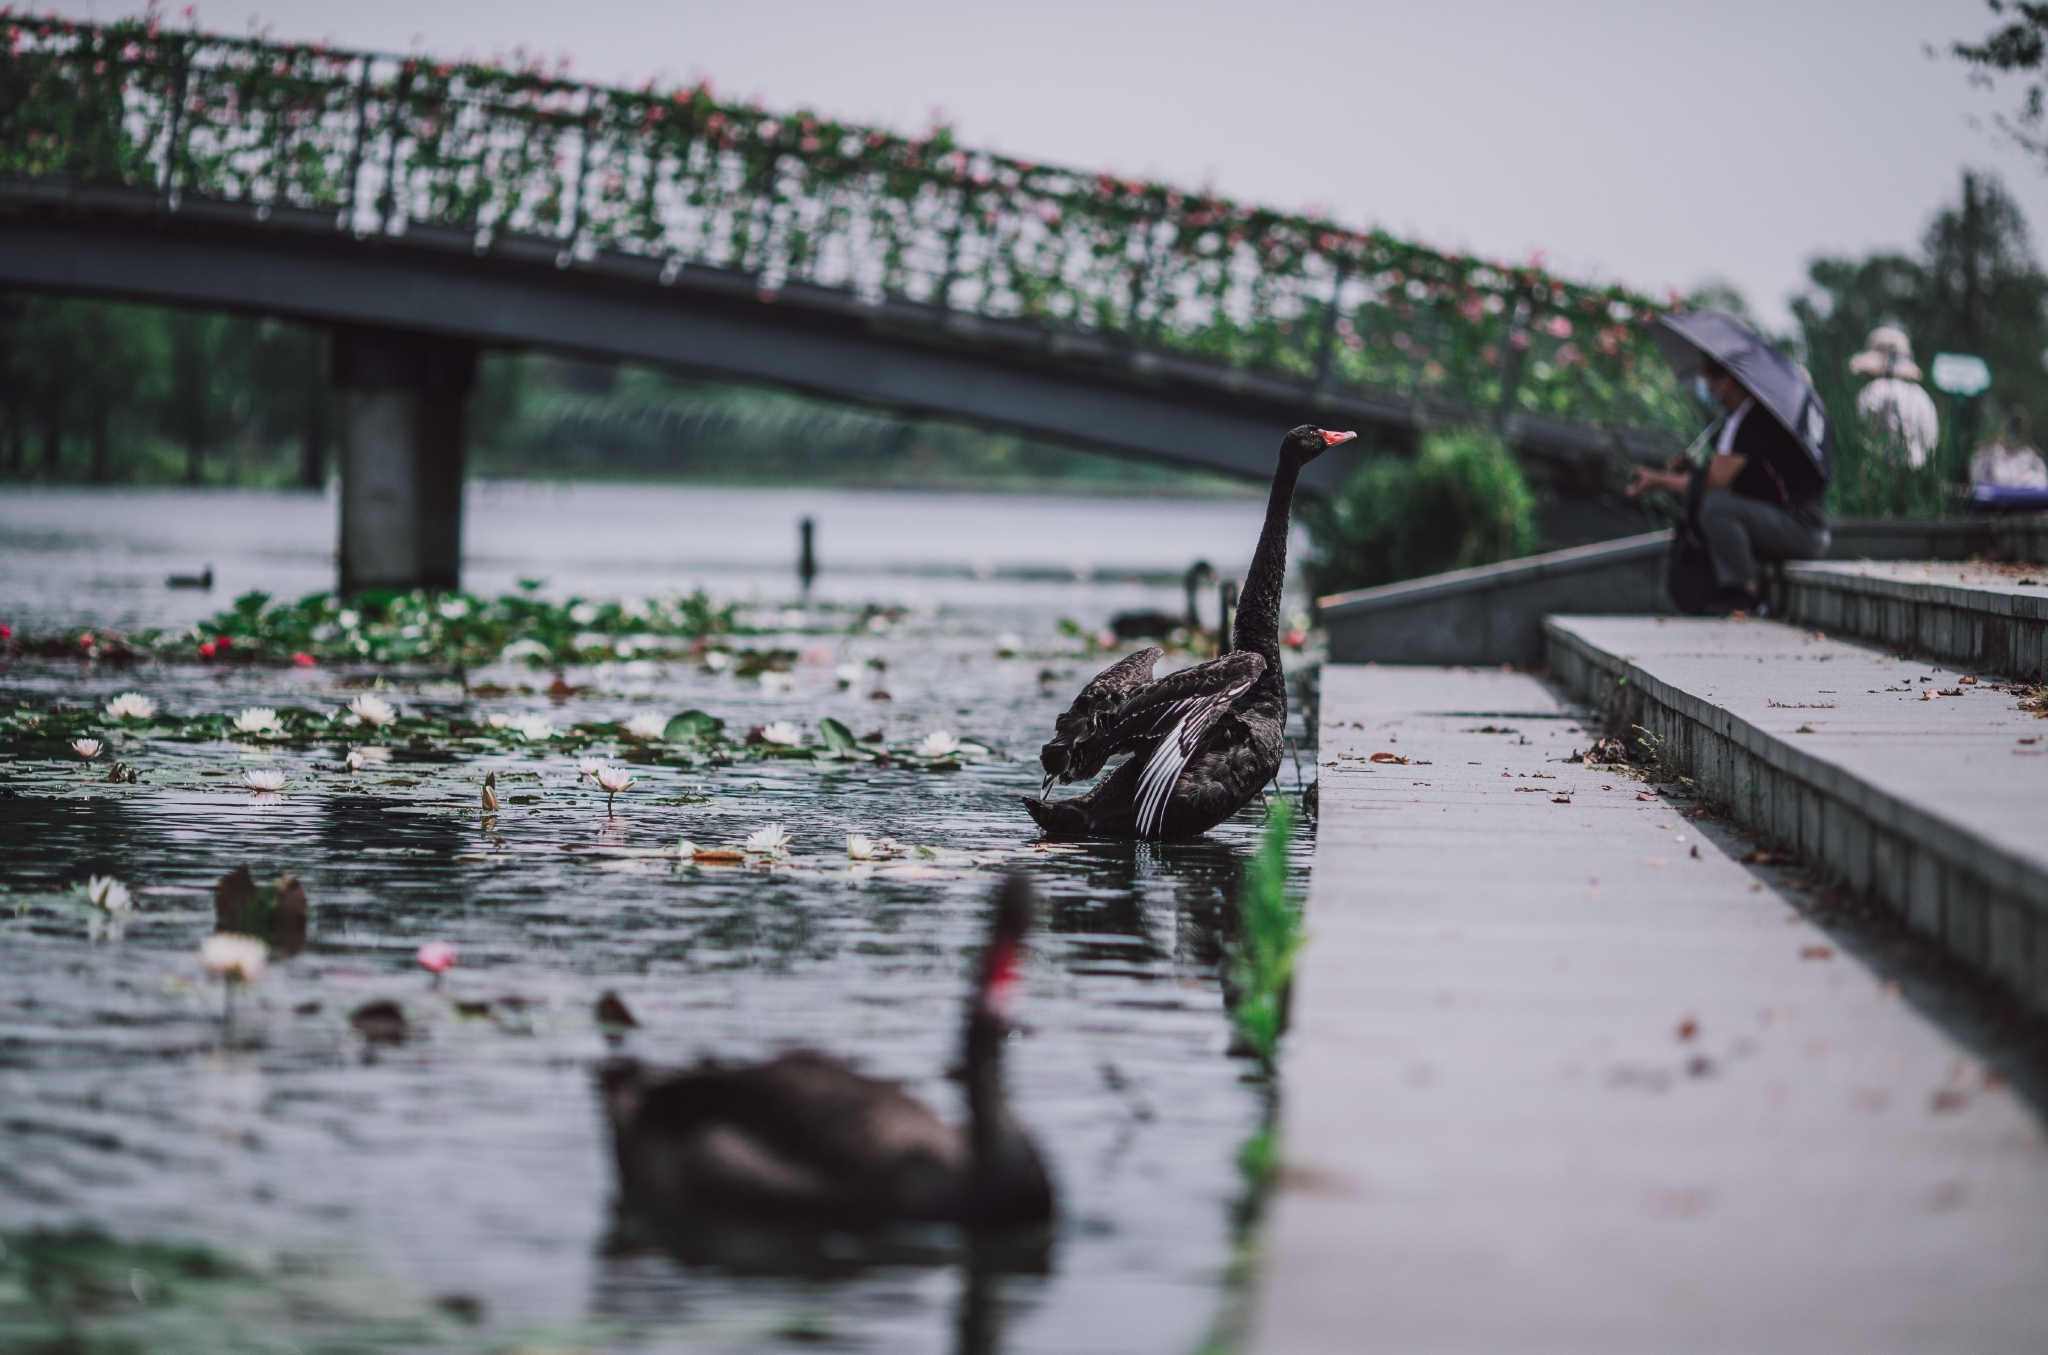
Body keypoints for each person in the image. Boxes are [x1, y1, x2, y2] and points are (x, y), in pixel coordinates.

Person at [1628, 355, 1830, 614]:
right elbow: (1725, 478)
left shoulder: (1757, 419)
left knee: (1716, 508)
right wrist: (1691, 472)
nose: (1704, 385)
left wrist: (1659, 481)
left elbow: (1711, 484)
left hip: (1803, 530)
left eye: (1707, 378)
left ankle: (1747, 594)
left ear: (1725, 381)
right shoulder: (1741, 417)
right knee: (1715, 505)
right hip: (1787, 525)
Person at [1849, 326, 1940, 468]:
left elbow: (1864, 441)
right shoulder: (1925, 398)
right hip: (1921, 478)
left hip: (1882, 476)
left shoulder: (1872, 392)